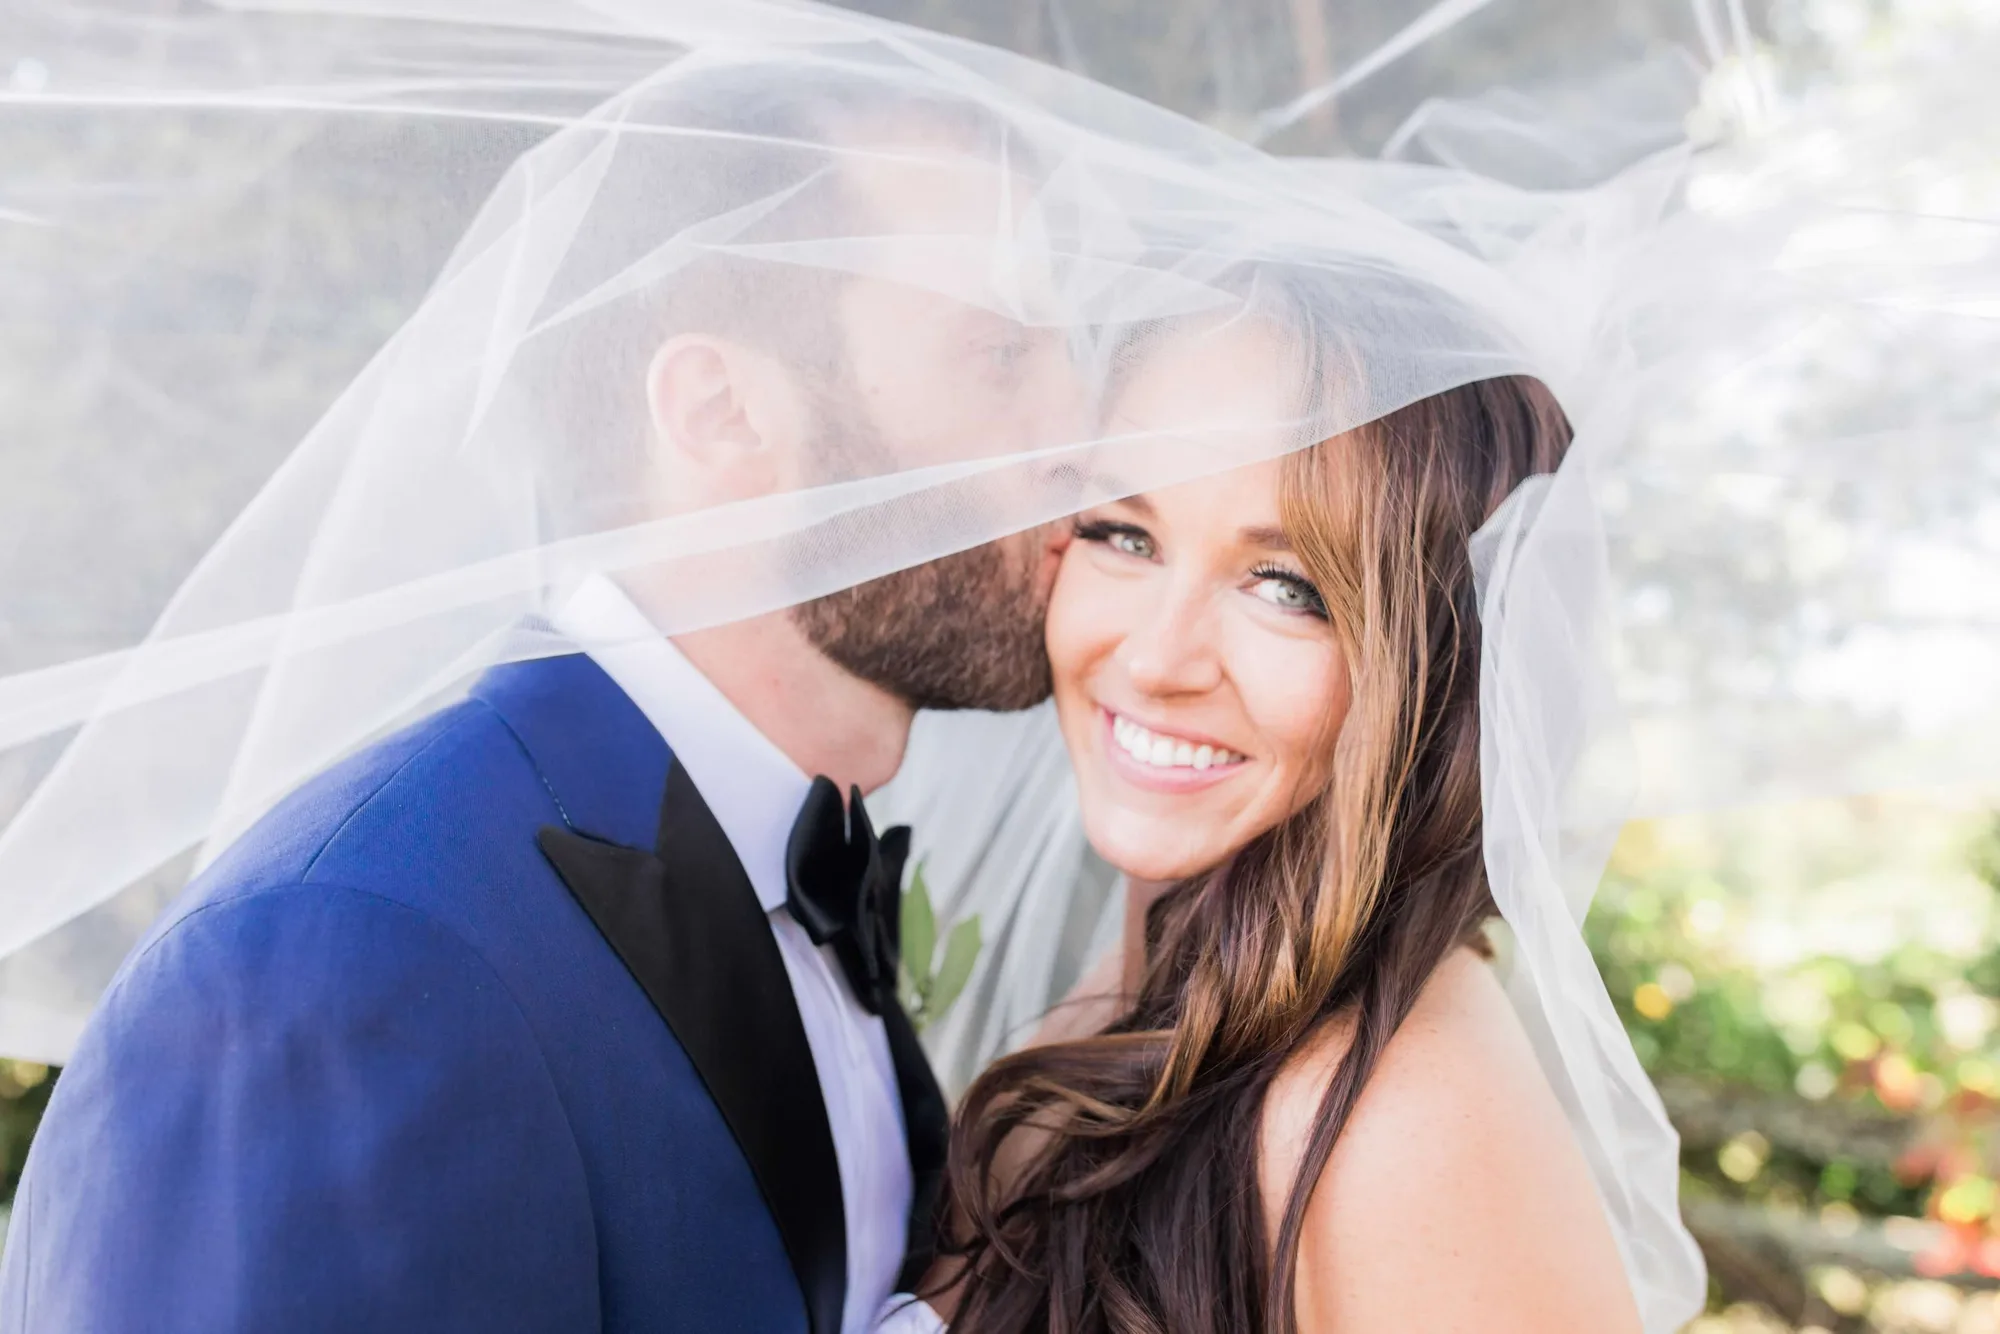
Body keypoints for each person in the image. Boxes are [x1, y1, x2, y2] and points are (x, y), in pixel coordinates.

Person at [0, 67, 1078, 1334]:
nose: (1081, 433)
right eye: (999, 355)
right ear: (723, 411)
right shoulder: (341, 961)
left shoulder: (799, 868)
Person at [920, 268, 1646, 1332]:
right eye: (1124, 531)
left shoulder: (1397, 1119)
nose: (1155, 656)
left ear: (1440, 662)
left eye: (1286, 586)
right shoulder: (1150, 993)